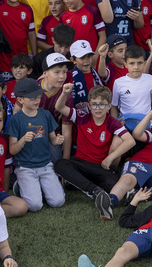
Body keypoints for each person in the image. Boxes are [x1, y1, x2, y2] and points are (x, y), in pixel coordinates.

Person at [55, 84, 133, 220]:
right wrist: (64, 93)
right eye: (94, 104)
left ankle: (82, 186)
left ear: (109, 106)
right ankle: (96, 192)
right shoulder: (82, 116)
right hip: (80, 163)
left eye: (102, 104)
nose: (98, 108)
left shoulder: (112, 122)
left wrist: (110, 158)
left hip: (101, 167)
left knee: (115, 185)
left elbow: (130, 141)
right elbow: (59, 107)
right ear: (89, 106)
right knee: (60, 164)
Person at [5, 77, 65, 212]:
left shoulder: (45, 114)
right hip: (25, 167)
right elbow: (12, 150)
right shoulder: (16, 119)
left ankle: (38, 187)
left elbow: (52, 140)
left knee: (58, 202)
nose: (37, 100)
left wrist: (58, 140)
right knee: (34, 206)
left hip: (45, 165)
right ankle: (22, 187)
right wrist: (23, 140)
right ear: (20, 100)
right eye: (32, 98)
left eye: (38, 96)